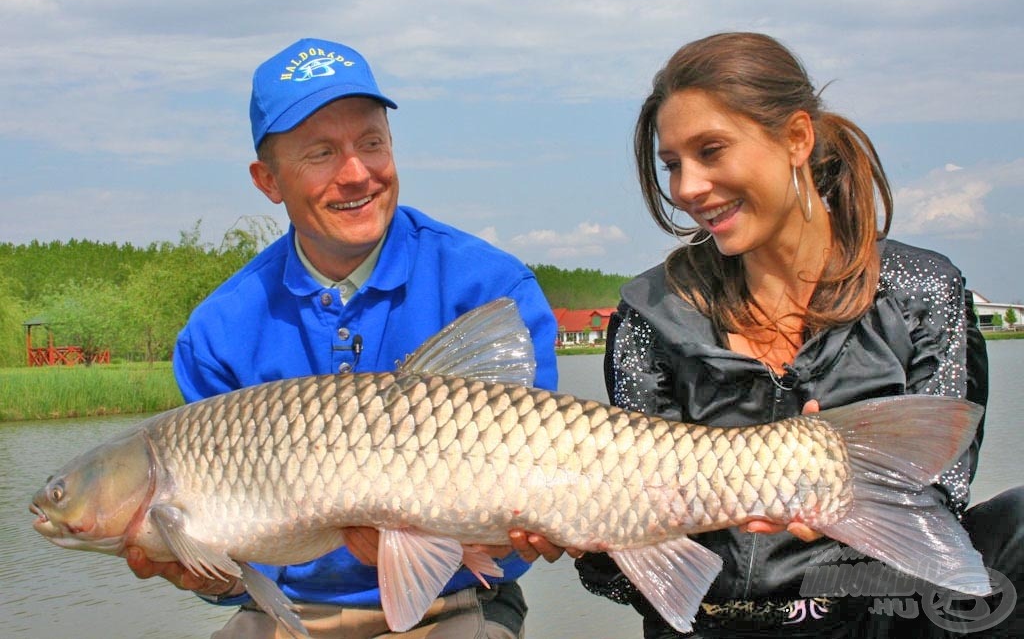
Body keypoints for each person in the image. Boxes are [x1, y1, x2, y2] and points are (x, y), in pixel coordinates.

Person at [575, 32, 1023, 637]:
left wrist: (841, 512)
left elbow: (939, 498)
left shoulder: (923, 291)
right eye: (673, 165)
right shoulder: (649, 314)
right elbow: (638, 565)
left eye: (711, 151)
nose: (685, 188)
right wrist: (585, 539)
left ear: (796, 138)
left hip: (878, 611)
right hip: (718, 620)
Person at [125, 37, 559, 638]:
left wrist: (516, 538)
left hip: (457, 601)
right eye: (322, 153)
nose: (357, 174)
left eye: (372, 143)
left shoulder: (489, 288)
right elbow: (232, 577)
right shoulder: (218, 332)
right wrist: (208, 574)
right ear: (268, 180)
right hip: (284, 612)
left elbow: (522, 535)